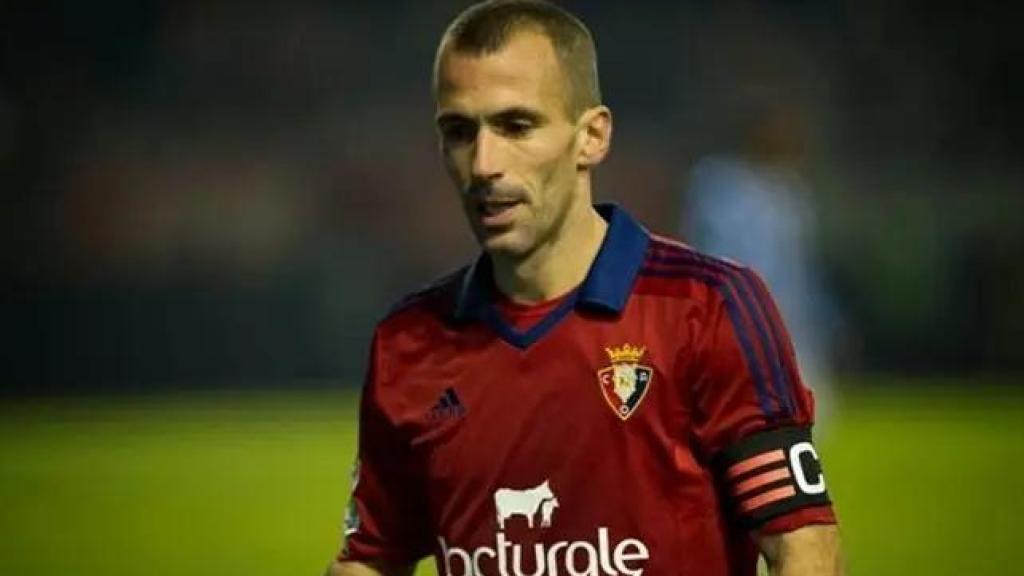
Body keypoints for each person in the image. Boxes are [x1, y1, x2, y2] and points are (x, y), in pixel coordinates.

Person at [325, 2, 842, 575]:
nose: (484, 164)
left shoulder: (706, 308)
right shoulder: (408, 344)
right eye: (459, 131)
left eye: (517, 126)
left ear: (592, 137)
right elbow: (370, 559)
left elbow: (803, 546)